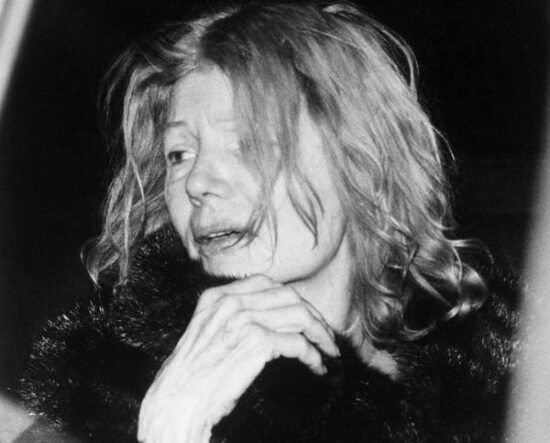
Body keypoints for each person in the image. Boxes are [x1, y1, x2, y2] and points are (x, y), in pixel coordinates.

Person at [16, 2, 520, 441]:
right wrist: (171, 430)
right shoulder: (101, 396)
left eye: (247, 141)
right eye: (178, 154)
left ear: (360, 160)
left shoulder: (511, 392)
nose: (197, 182)